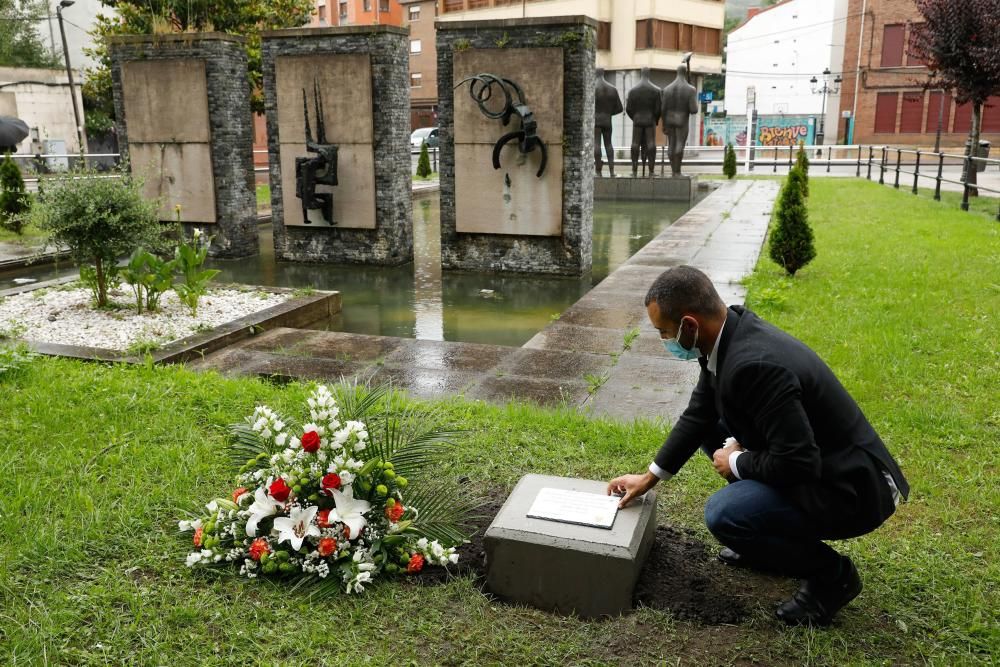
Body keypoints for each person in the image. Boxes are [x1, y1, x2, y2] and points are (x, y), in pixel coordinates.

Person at [607, 266, 908, 626]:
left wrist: (738, 461)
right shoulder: (726, 333)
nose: (665, 340)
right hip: (824, 462)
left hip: (854, 488)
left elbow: (799, 462)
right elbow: (699, 413)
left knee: (725, 514)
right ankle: (763, 542)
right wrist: (649, 477)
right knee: (711, 428)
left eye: (664, 332)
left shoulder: (755, 365)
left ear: (689, 326)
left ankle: (833, 576)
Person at [659, 53, 699, 177]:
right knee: (679, 145)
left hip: (669, 120)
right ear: (685, 71)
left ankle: (673, 171)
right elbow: (694, 110)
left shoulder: (667, 89)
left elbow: (663, 109)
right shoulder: (690, 89)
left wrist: (664, 124)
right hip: (682, 121)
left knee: (671, 146)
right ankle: (677, 172)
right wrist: (693, 97)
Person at [625, 67, 661, 178]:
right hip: (650, 120)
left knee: (635, 144)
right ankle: (651, 171)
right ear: (649, 74)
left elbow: (628, 109)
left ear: (641, 74)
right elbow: (659, 109)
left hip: (637, 120)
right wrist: (655, 119)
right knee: (651, 144)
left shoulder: (633, 91)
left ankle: (634, 170)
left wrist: (635, 117)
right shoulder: (656, 90)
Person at [594, 68, 623, 178]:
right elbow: (620, 108)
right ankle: (611, 171)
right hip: (607, 120)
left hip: (596, 120)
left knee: (596, 144)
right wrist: (609, 113)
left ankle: (598, 170)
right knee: (609, 144)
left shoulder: (592, 88)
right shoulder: (613, 89)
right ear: (604, 73)